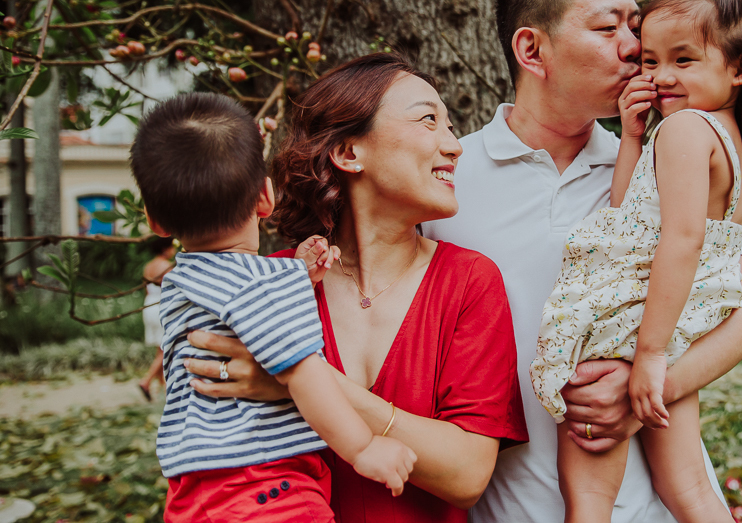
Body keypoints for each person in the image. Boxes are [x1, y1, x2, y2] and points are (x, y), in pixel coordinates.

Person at [421, 0, 742, 523]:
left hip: (655, 505)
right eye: (609, 26)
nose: (636, 47)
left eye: (635, 25)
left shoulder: (652, 171)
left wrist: (640, 392)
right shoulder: (447, 181)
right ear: (532, 49)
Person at [182, 55, 528, 523]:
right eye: (429, 120)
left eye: (450, 126)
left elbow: (467, 475)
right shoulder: (267, 284)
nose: (454, 146)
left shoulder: (468, 281)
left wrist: (297, 383)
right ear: (349, 153)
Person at [530, 0, 742, 522]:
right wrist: (630, 136)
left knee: (588, 498)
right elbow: (628, 216)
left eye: (684, 60)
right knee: (691, 491)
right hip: (677, 326)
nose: (663, 75)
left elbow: (680, 240)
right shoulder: (723, 136)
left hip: (633, 323)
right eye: (651, 61)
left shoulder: (686, 130)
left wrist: (648, 353)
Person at [130, 92, 416, 522]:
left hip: (193, 492)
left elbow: (234, 310)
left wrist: (295, 275)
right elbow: (302, 370)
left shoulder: (180, 282)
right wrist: (365, 447)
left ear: (155, 220)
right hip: (265, 485)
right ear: (266, 198)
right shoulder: (262, 284)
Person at [137, 236, 176, 402]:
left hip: (149, 305)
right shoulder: (166, 266)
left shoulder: (148, 266)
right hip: (161, 305)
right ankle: (145, 381)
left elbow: (146, 289)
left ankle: (163, 387)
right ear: (165, 248)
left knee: (158, 348)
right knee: (165, 349)